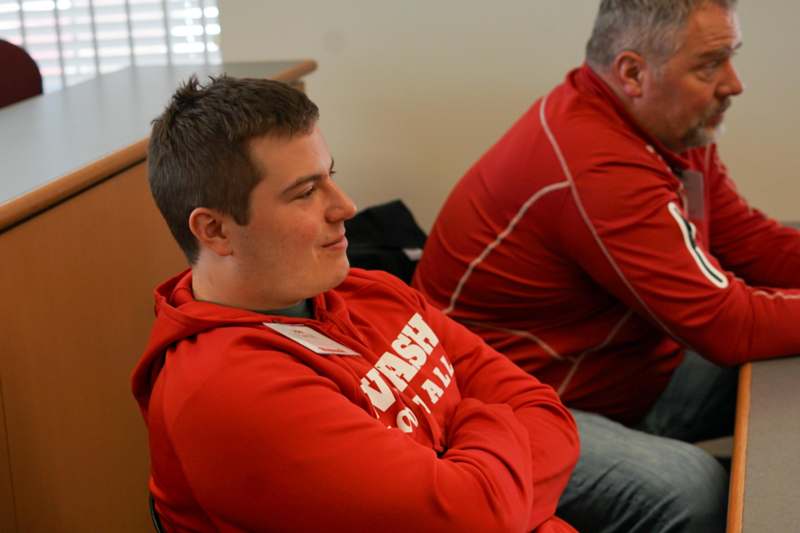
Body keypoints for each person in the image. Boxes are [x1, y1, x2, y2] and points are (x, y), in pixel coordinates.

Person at [413, 1, 800, 532]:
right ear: (633, 73)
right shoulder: (596, 164)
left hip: (616, 371)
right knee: (691, 489)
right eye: (710, 65)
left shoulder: (665, 127)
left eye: (730, 58)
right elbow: (728, 325)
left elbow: (747, 241)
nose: (733, 84)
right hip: (515, 411)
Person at [131, 75, 579, 532]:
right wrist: (482, 420)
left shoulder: (365, 290)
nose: (345, 206)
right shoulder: (228, 389)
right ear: (215, 231)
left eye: (331, 176)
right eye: (305, 192)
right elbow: (476, 519)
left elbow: (548, 414)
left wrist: (485, 490)